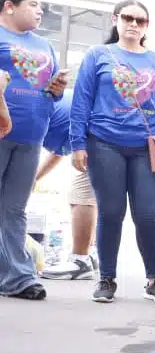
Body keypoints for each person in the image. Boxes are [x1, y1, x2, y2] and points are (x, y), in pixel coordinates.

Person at [70, 0, 155, 305]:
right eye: (128, 18)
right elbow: (81, 102)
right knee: (111, 212)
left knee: (147, 215)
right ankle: (106, 278)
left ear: (146, 26)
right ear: (115, 19)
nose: (134, 24)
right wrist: (77, 143)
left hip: (147, 147)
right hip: (104, 143)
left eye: (141, 20)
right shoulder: (98, 55)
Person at [0, 0, 67, 301]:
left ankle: (19, 278)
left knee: (14, 209)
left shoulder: (44, 45)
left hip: (31, 137)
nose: (40, 11)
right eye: (33, 4)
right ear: (9, 6)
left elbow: (49, 95)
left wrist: (56, 88)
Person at [35, 87, 100, 281]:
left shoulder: (32, 115)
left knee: (80, 196)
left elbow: (27, 150)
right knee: (86, 195)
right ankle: (88, 254)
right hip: (99, 130)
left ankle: (80, 261)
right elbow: (59, 152)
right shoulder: (47, 105)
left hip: (96, 134)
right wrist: (34, 179)